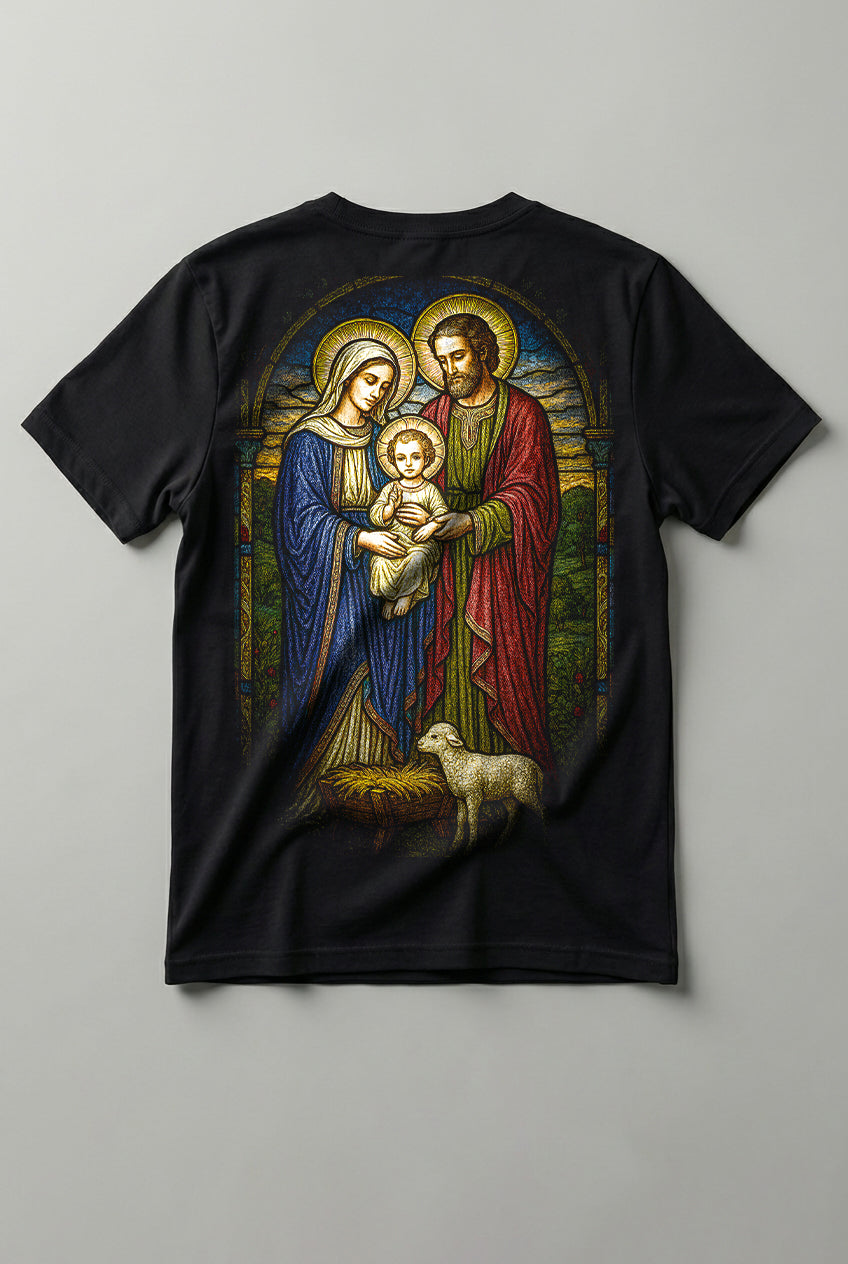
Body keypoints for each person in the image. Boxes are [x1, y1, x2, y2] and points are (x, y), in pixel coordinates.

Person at [273, 337, 433, 817]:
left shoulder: (386, 443)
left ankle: (379, 777)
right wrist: (360, 538)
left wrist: (409, 515)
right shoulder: (308, 441)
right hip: (331, 585)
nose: (378, 392)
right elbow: (298, 518)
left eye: (386, 385)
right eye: (370, 380)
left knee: (388, 666)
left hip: (383, 574)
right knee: (340, 670)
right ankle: (316, 789)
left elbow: (401, 494)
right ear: (344, 377)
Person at [412, 312, 561, 772]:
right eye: (441, 361)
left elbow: (533, 494)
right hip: (441, 567)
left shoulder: (524, 413)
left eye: (457, 356)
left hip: (498, 571)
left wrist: (475, 520)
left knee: (498, 664)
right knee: (443, 659)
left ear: (483, 353)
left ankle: (508, 774)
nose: (449, 369)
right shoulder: (432, 415)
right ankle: (444, 779)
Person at [367, 420, 449, 620]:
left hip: (421, 543)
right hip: (396, 542)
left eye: (416, 457)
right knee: (380, 562)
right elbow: (375, 514)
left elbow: (442, 514)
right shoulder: (390, 489)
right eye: (401, 458)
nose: (409, 464)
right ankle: (389, 596)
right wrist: (390, 508)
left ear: (427, 459)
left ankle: (407, 595)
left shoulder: (430, 490)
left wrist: (430, 525)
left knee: (418, 558)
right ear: (393, 461)